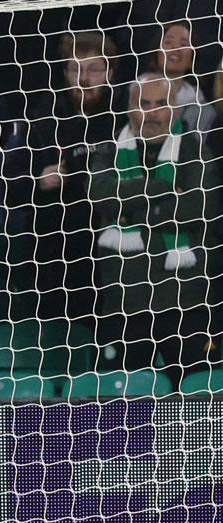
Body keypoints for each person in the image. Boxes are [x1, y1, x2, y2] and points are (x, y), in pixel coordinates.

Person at [88, 74, 220, 383]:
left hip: (186, 303)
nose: (152, 112)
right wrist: (159, 188)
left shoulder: (194, 151)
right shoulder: (109, 150)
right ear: (129, 109)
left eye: (160, 104)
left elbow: (200, 207)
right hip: (125, 303)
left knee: (196, 399)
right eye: (143, 104)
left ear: (174, 109)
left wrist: (132, 206)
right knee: (120, 404)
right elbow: (100, 195)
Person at [2, 31, 124, 322]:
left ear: (111, 71)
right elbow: (8, 185)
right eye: (76, 69)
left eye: (95, 69)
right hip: (53, 251)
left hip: (110, 249)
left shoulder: (125, 115)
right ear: (64, 72)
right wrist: (38, 180)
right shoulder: (43, 118)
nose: (84, 79)